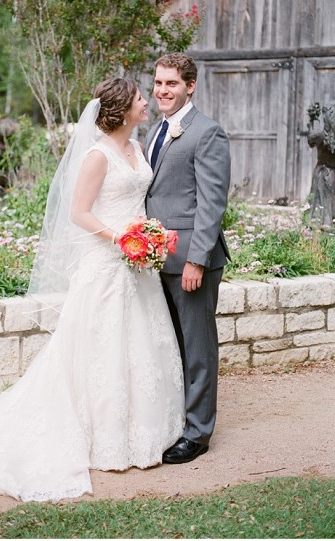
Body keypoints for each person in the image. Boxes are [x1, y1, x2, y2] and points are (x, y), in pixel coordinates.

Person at [0, 77, 185, 502]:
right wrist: (122, 237)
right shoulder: (97, 156)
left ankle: (146, 434)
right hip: (107, 265)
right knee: (102, 349)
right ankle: (105, 439)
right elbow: (80, 213)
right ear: (121, 110)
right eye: (140, 97)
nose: (146, 102)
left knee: (140, 345)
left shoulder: (138, 148)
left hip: (139, 268)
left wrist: (147, 238)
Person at [145, 53, 231, 464]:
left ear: (190, 86)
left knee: (197, 348)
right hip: (155, 260)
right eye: (159, 83)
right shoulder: (155, 132)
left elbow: (212, 204)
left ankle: (197, 434)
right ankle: (177, 419)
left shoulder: (207, 132)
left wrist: (197, 259)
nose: (163, 91)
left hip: (191, 262)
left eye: (172, 84)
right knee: (171, 346)